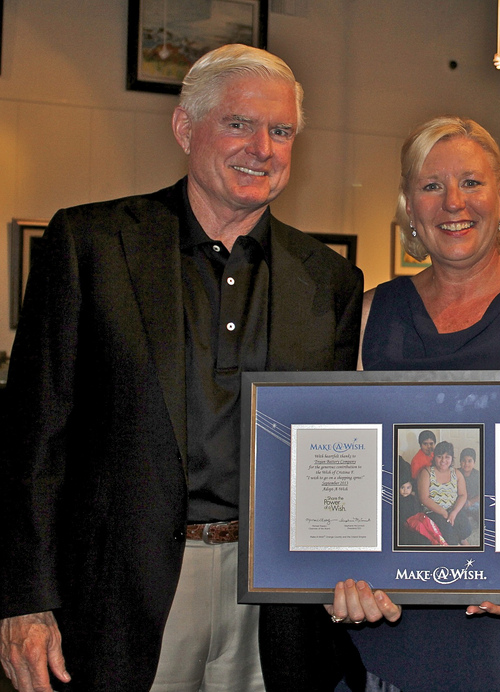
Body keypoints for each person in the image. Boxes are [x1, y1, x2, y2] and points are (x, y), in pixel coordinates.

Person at [0, 45, 363, 691]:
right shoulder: (92, 247)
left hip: (274, 601)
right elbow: (36, 440)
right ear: (185, 128)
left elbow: (335, 451)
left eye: (280, 131)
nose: (262, 147)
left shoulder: (329, 280)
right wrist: (25, 599)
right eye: (239, 124)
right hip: (120, 592)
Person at [329, 115, 500, 692]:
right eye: (432, 186)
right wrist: (337, 573)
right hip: (390, 632)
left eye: (472, 183)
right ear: (409, 205)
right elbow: (345, 478)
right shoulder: (368, 315)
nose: (453, 202)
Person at [416, 440, 473, 545]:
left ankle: (462, 539)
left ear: (452, 459)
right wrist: (443, 512)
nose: (443, 460)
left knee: (466, 529)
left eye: (447, 457)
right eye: (439, 456)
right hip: (434, 512)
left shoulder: (456, 473)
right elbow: (424, 498)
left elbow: (462, 494)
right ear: (434, 457)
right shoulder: (426, 472)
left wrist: (454, 512)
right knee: (450, 537)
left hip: (452, 508)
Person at [459, 447, 481, 526]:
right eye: (464, 461)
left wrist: (471, 502)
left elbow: (482, 493)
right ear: (460, 462)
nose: (466, 464)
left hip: (473, 502)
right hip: (460, 502)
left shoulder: (478, 475)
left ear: (474, 462)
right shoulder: (456, 473)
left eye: (469, 461)